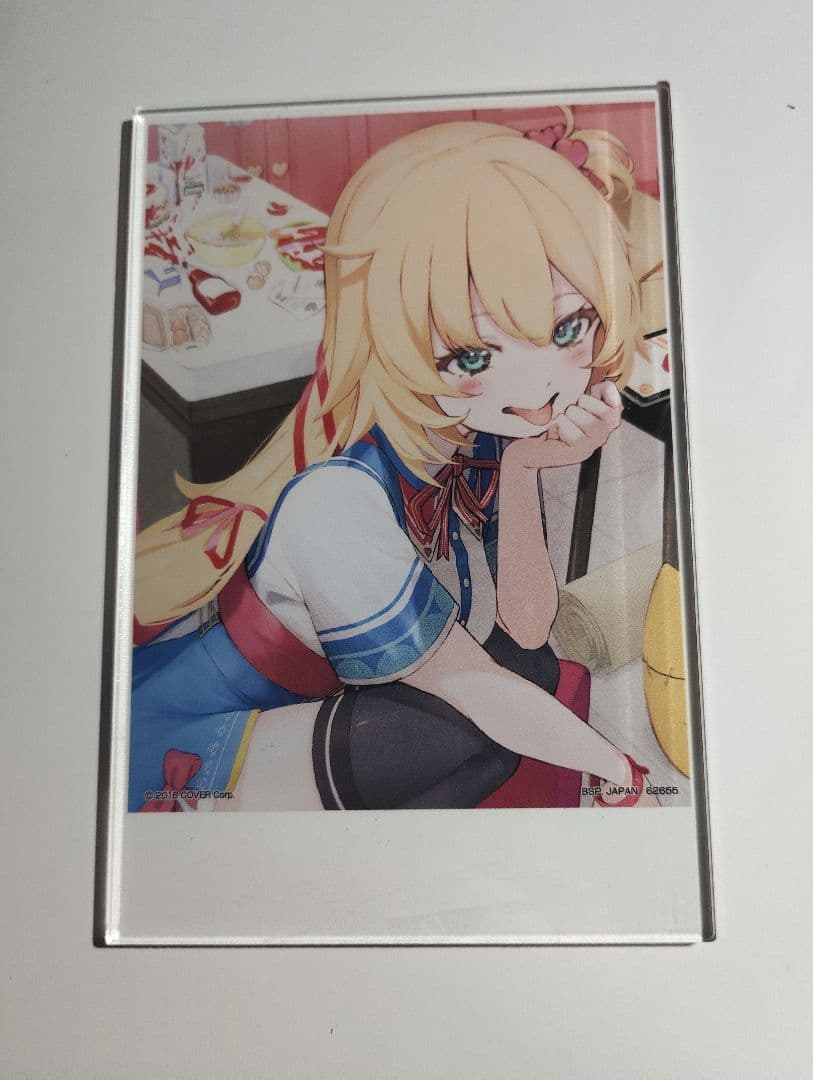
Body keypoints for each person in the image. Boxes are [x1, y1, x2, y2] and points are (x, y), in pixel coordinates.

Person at [131, 112, 659, 812]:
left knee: (518, 679)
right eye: (473, 356)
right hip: (191, 741)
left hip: (323, 712)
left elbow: (527, 631)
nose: (538, 390)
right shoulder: (334, 501)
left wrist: (524, 468)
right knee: (459, 727)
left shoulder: (475, 439)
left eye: (568, 328)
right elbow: (471, 688)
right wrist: (620, 771)